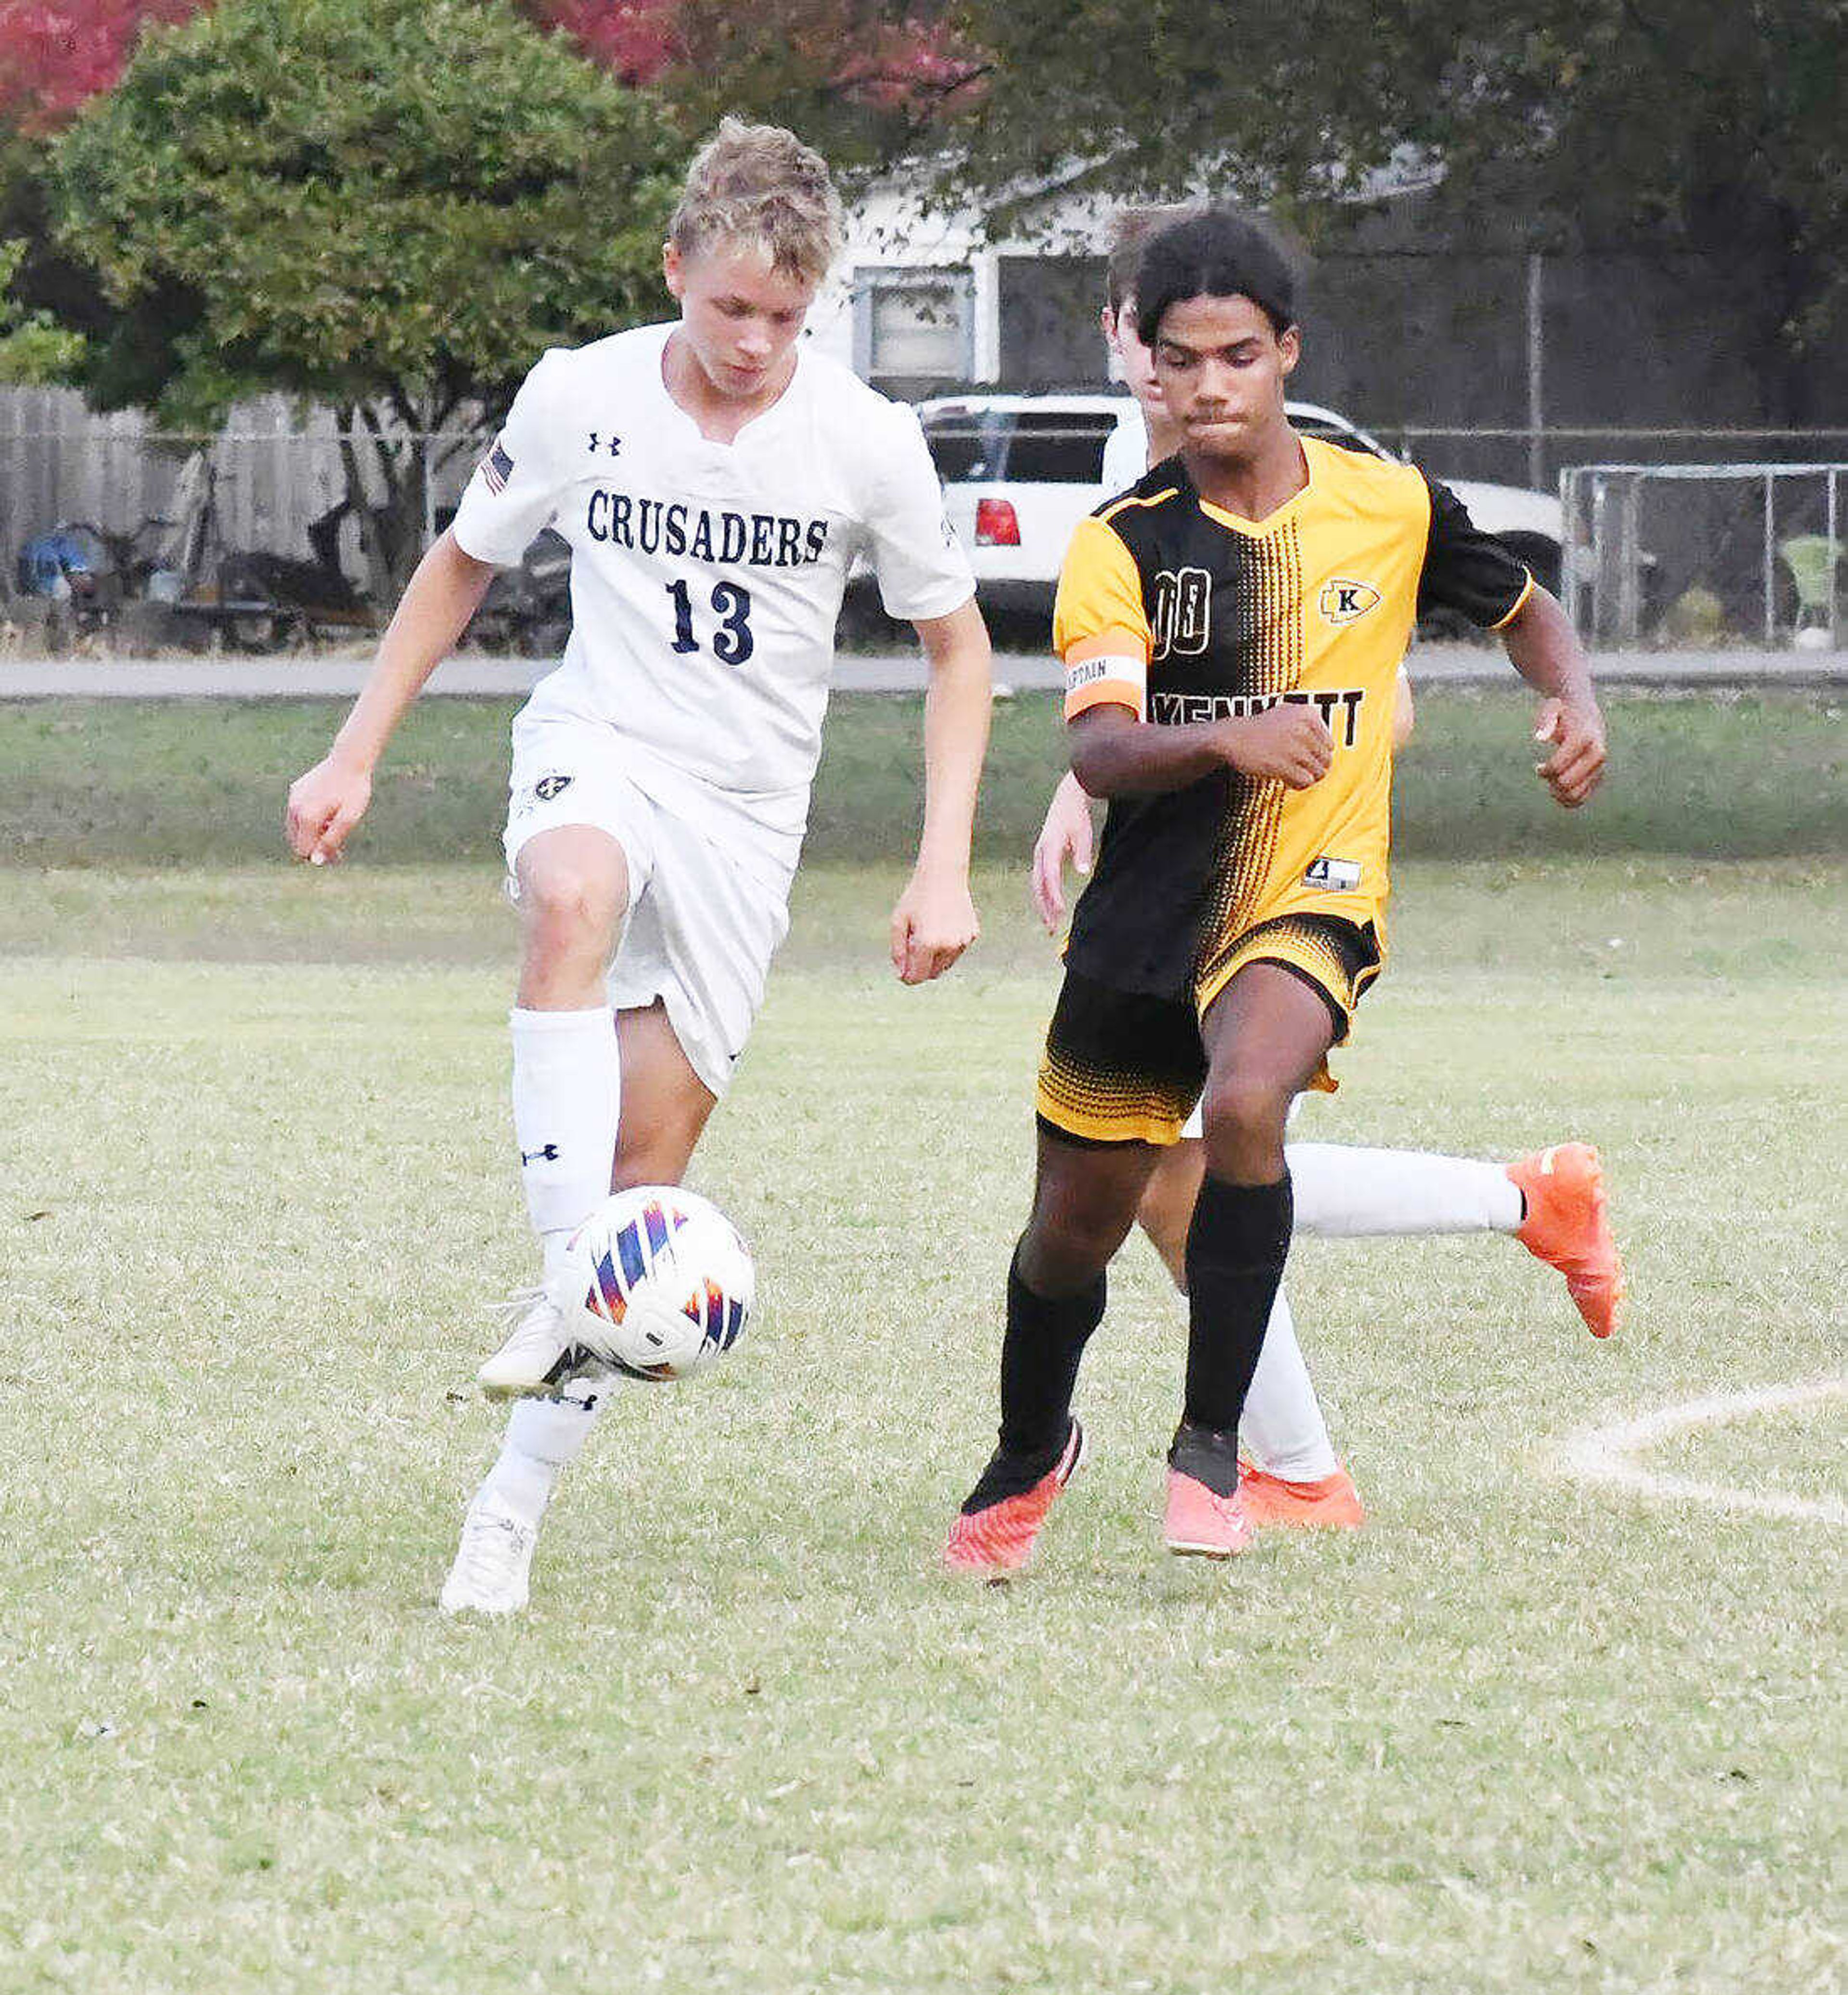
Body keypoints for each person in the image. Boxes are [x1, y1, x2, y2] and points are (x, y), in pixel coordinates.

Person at [286, 121, 991, 1615]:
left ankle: (507, 1515)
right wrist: (354, 752)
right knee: (571, 896)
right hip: (600, 742)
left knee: (645, 1184)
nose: (754, 342)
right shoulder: (579, 394)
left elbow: (958, 648)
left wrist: (943, 863)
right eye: (729, 307)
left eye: (787, 320)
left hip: (748, 816)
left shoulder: (867, 440)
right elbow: (463, 562)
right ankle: (563, 1279)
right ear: (675, 269)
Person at [945, 205, 1609, 1575]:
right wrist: (1224, 737)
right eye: (1180, 360)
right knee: (1073, 1233)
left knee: (1247, 1102)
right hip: (1144, 921)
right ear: (1152, 362)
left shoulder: (1390, 506)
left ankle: (1211, 1451)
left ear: (1286, 352)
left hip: (1312, 887)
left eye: (1236, 356)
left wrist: (1575, 699)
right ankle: (1031, 1446)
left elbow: (1524, 608)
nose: (1207, 387)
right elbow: (1099, 748)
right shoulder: (1124, 540)